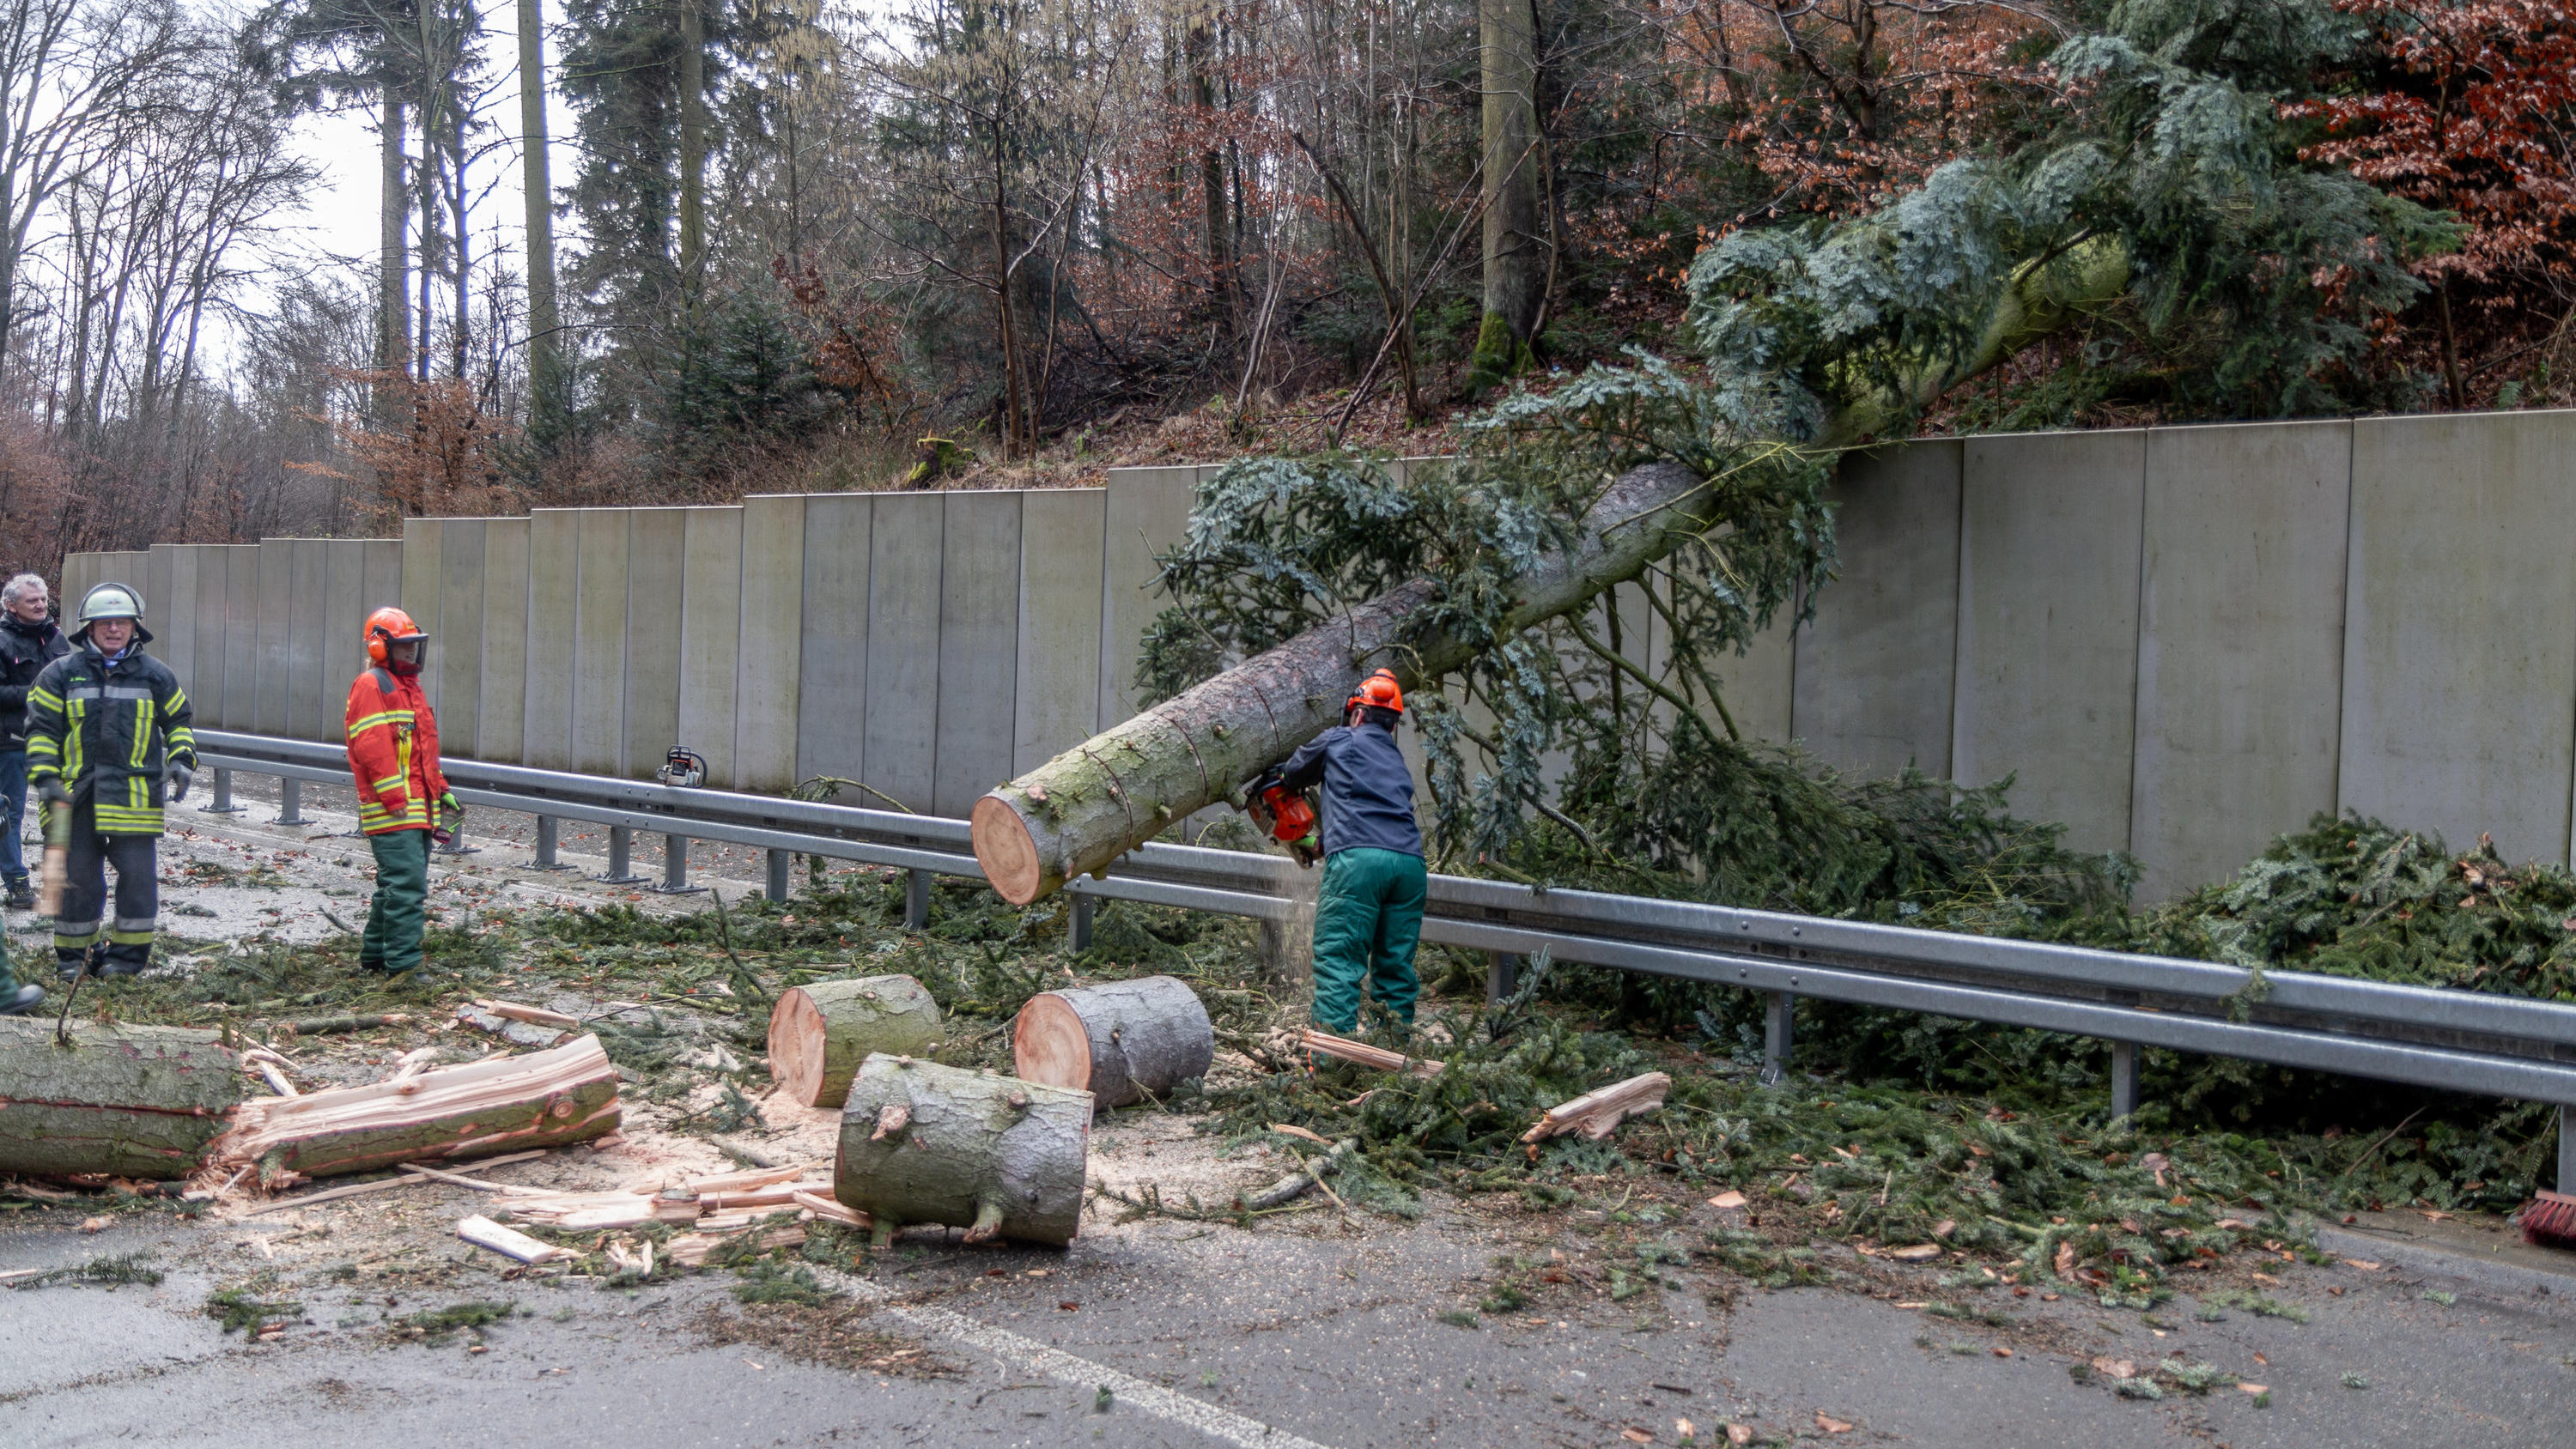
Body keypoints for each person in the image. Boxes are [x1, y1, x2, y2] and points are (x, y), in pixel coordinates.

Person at [24, 583, 195, 980]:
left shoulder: (156, 676)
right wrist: (46, 777)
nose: (114, 629)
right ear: (89, 629)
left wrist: (182, 759)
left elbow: (179, 722)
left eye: (122, 622)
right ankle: (75, 960)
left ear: (135, 628)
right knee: (76, 881)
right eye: (106, 623)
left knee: (137, 882)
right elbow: (40, 732)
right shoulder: (61, 675)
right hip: (73, 797)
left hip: (134, 796)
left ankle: (125, 961)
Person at [1272, 668, 1426, 1035]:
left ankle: (1331, 1064)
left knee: (1340, 961)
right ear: (1393, 726)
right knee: (1394, 969)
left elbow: (1291, 774)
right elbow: (1375, 816)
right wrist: (1323, 842)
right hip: (1410, 867)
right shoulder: (1397, 764)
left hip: (1359, 866)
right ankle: (1392, 1059)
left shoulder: (1339, 740)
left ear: (1357, 714)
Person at [343, 606, 457, 974]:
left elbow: (421, 750)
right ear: (380, 647)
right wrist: (393, 798)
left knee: (395, 886)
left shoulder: (409, 689)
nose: (412, 651)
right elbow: (372, 748)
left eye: (414, 644)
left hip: (416, 806)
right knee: (407, 888)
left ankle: (375, 958)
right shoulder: (372, 685)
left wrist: (440, 789)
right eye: (404, 645)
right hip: (394, 808)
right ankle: (404, 968)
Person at [0, 573, 68, 912]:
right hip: (11, 742)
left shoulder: (57, 639)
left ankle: (61, 880)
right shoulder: (2, 641)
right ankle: (17, 881)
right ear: (11, 605)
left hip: (57, 741)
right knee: (9, 814)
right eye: (32, 601)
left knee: (62, 809)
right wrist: (36, 693)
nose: (41, 605)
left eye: (43, 599)